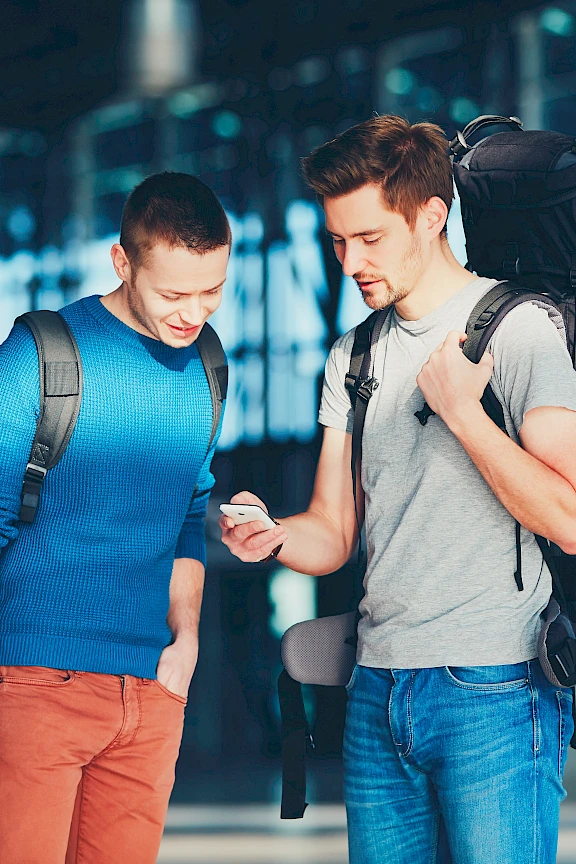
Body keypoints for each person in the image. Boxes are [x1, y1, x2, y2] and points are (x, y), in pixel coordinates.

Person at [220, 115, 576, 864]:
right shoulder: (353, 356)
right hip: (377, 691)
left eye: (371, 238)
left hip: (494, 688)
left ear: (432, 216)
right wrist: (273, 535)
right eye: (338, 241)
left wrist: (463, 416)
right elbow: (333, 531)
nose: (352, 261)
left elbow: (571, 519)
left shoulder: (519, 332)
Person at [0, 172, 230, 863]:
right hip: (35, 681)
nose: (194, 314)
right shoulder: (39, 356)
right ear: (123, 263)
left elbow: (188, 514)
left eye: (212, 291)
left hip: (153, 690)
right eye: (173, 294)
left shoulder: (210, 368)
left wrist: (184, 641)